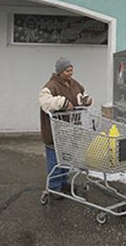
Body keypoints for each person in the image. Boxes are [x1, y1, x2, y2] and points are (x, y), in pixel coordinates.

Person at [38, 57, 93, 197]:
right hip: (54, 130)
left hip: (70, 129)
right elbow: (45, 102)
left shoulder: (74, 84)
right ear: (60, 72)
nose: (70, 72)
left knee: (66, 158)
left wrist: (85, 100)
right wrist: (61, 102)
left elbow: (80, 95)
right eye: (67, 70)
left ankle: (64, 182)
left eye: (71, 69)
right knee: (55, 159)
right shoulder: (51, 86)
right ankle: (54, 187)